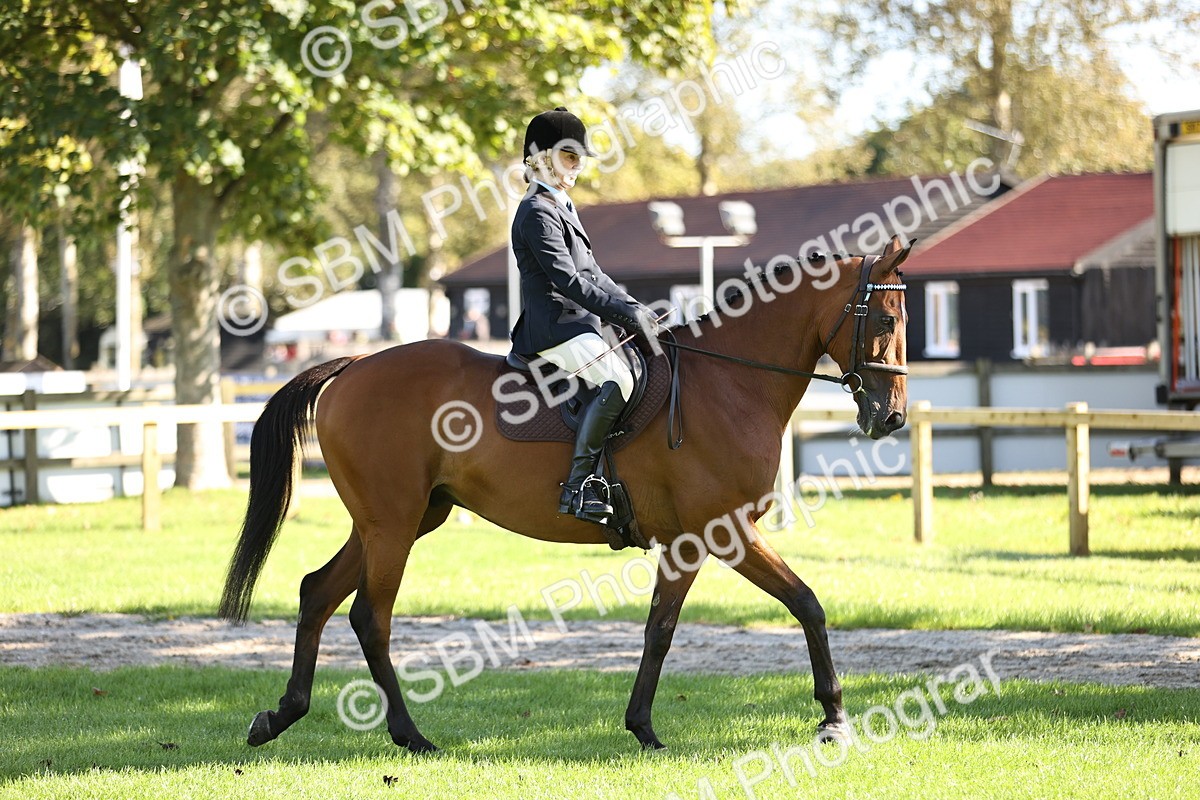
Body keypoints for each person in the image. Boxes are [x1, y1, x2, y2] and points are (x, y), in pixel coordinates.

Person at [509, 107, 661, 526]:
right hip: (556, 327)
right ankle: (580, 485)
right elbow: (570, 282)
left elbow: (596, 275)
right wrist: (627, 315)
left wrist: (637, 311)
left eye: (579, 158)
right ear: (541, 158)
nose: (577, 166)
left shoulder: (563, 206)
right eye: (568, 156)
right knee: (618, 379)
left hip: (581, 325)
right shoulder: (537, 211)